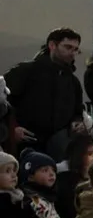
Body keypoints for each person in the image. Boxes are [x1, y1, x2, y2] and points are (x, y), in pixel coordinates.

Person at [4, 28, 86, 160]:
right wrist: (11, 130)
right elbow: (3, 102)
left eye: (76, 49)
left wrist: (77, 122)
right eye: (68, 47)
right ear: (52, 45)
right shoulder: (26, 71)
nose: (72, 53)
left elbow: (77, 110)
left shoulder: (72, 81)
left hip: (59, 149)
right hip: (26, 147)